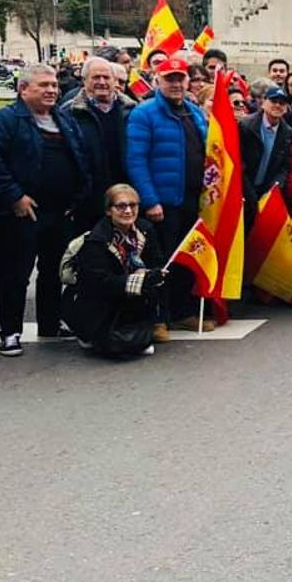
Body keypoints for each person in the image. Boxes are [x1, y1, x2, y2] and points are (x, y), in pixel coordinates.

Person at [0, 64, 91, 356]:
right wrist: (15, 196)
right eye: (43, 85)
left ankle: (50, 324)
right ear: (23, 89)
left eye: (54, 85)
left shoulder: (64, 120)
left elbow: (80, 157)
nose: (52, 90)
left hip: (60, 211)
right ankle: (10, 332)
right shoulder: (3, 122)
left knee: (53, 272)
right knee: (17, 274)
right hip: (21, 213)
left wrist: (77, 197)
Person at [124, 56, 209, 338]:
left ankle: (182, 312)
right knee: (161, 263)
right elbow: (136, 160)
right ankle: (157, 317)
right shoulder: (144, 113)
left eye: (180, 78)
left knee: (185, 259)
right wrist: (149, 201)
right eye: (169, 78)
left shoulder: (194, 113)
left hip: (193, 200)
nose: (175, 84)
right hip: (163, 203)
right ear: (158, 80)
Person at [62, 183, 166, 357]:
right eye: (121, 206)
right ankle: (89, 332)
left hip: (128, 295)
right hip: (98, 300)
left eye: (133, 205)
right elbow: (100, 283)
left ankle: (136, 331)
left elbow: (157, 260)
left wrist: (153, 274)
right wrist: (139, 280)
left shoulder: (146, 230)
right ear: (109, 210)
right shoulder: (96, 240)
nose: (128, 211)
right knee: (112, 346)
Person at [60, 56, 134, 231]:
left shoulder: (132, 110)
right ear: (84, 80)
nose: (102, 82)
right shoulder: (68, 112)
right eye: (96, 77)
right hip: (87, 199)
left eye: (106, 77)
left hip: (123, 195)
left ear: (115, 80)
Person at [238, 86, 292, 210]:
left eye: (282, 103)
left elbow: (285, 165)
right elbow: (239, 161)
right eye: (274, 101)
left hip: (267, 190)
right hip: (243, 188)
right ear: (263, 102)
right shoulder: (246, 126)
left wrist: (275, 188)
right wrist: (248, 191)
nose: (278, 106)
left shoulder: (287, 132)